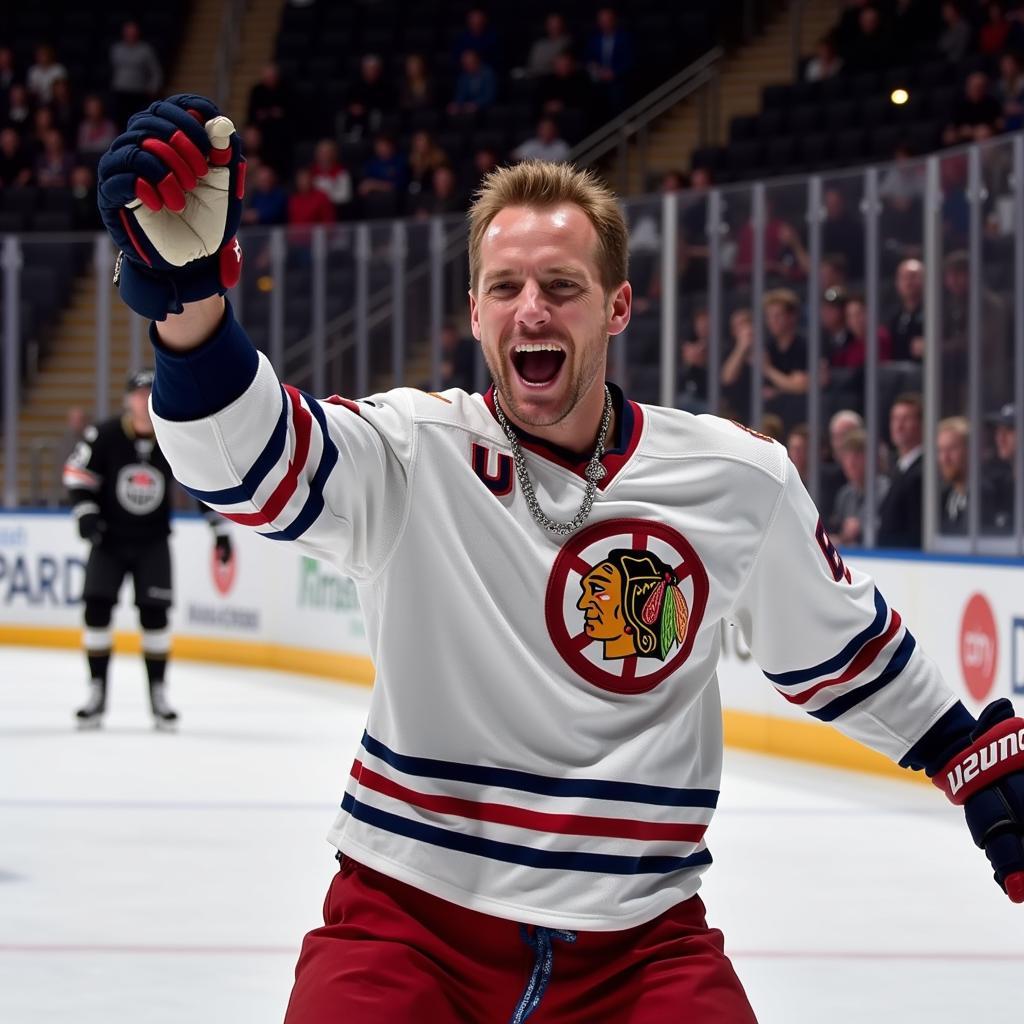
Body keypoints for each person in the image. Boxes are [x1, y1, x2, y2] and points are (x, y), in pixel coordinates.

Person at [95, 95, 1024, 1023]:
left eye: (561, 286)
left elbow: (841, 646)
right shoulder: (413, 450)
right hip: (409, 922)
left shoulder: (735, 478)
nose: (530, 308)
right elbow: (246, 463)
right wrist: (193, 303)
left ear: (617, 305)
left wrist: (967, 753)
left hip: (643, 943)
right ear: (473, 310)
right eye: (504, 287)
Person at [62, 369, 232, 729]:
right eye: (138, 394)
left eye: (151, 393)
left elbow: (200, 485)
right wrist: (87, 513)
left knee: (155, 616)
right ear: (128, 399)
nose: (144, 400)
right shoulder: (105, 434)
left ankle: (158, 695)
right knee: (96, 610)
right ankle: (97, 691)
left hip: (153, 542)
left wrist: (219, 531)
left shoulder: (175, 438)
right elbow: (77, 476)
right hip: (107, 540)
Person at [876, 391, 923, 547]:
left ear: (922, 424)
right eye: (895, 419)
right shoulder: (897, 467)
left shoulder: (922, 472)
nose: (899, 425)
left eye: (906, 419)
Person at [830, 427, 890, 546]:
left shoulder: (886, 490)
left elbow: (890, 527)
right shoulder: (845, 494)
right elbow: (837, 528)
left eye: (857, 456)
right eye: (847, 456)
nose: (851, 462)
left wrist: (861, 528)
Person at [109, 21, 162, 127]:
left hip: (138, 93)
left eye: (133, 32)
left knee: (137, 121)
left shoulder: (145, 50)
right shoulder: (117, 49)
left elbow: (155, 71)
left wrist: (153, 87)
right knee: (119, 123)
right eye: (128, 32)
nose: (130, 34)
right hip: (120, 92)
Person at [936, 415, 969, 535]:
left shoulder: (987, 496)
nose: (945, 458)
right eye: (940, 450)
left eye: (952, 449)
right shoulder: (942, 498)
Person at [887, 258, 925, 362]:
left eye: (913, 277)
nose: (908, 282)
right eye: (903, 278)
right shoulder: (892, 317)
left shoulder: (937, 314)